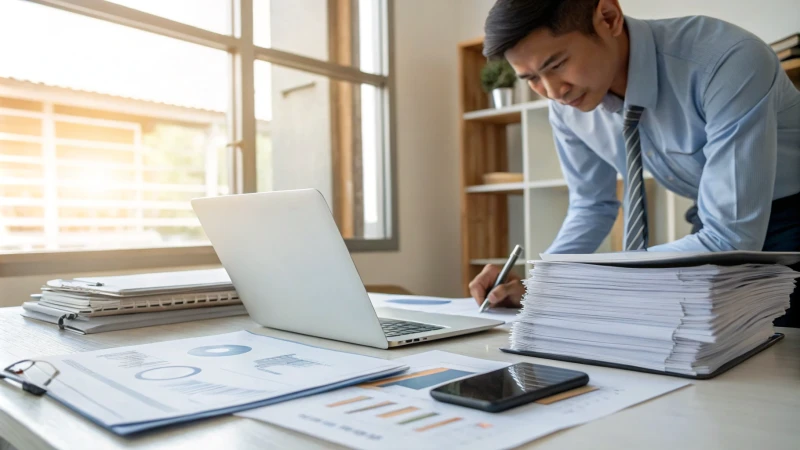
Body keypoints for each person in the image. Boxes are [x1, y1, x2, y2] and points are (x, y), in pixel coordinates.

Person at [469, 0, 800, 327]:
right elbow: (592, 207)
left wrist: (590, 280)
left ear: (609, 18)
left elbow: (730, 238)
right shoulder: (567, 106)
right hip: (714, 219)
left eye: (556, 64)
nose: (553, 91)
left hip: (786, 215)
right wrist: (543, 283)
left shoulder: (725, 59)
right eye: (531, 78)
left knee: (778, 355)